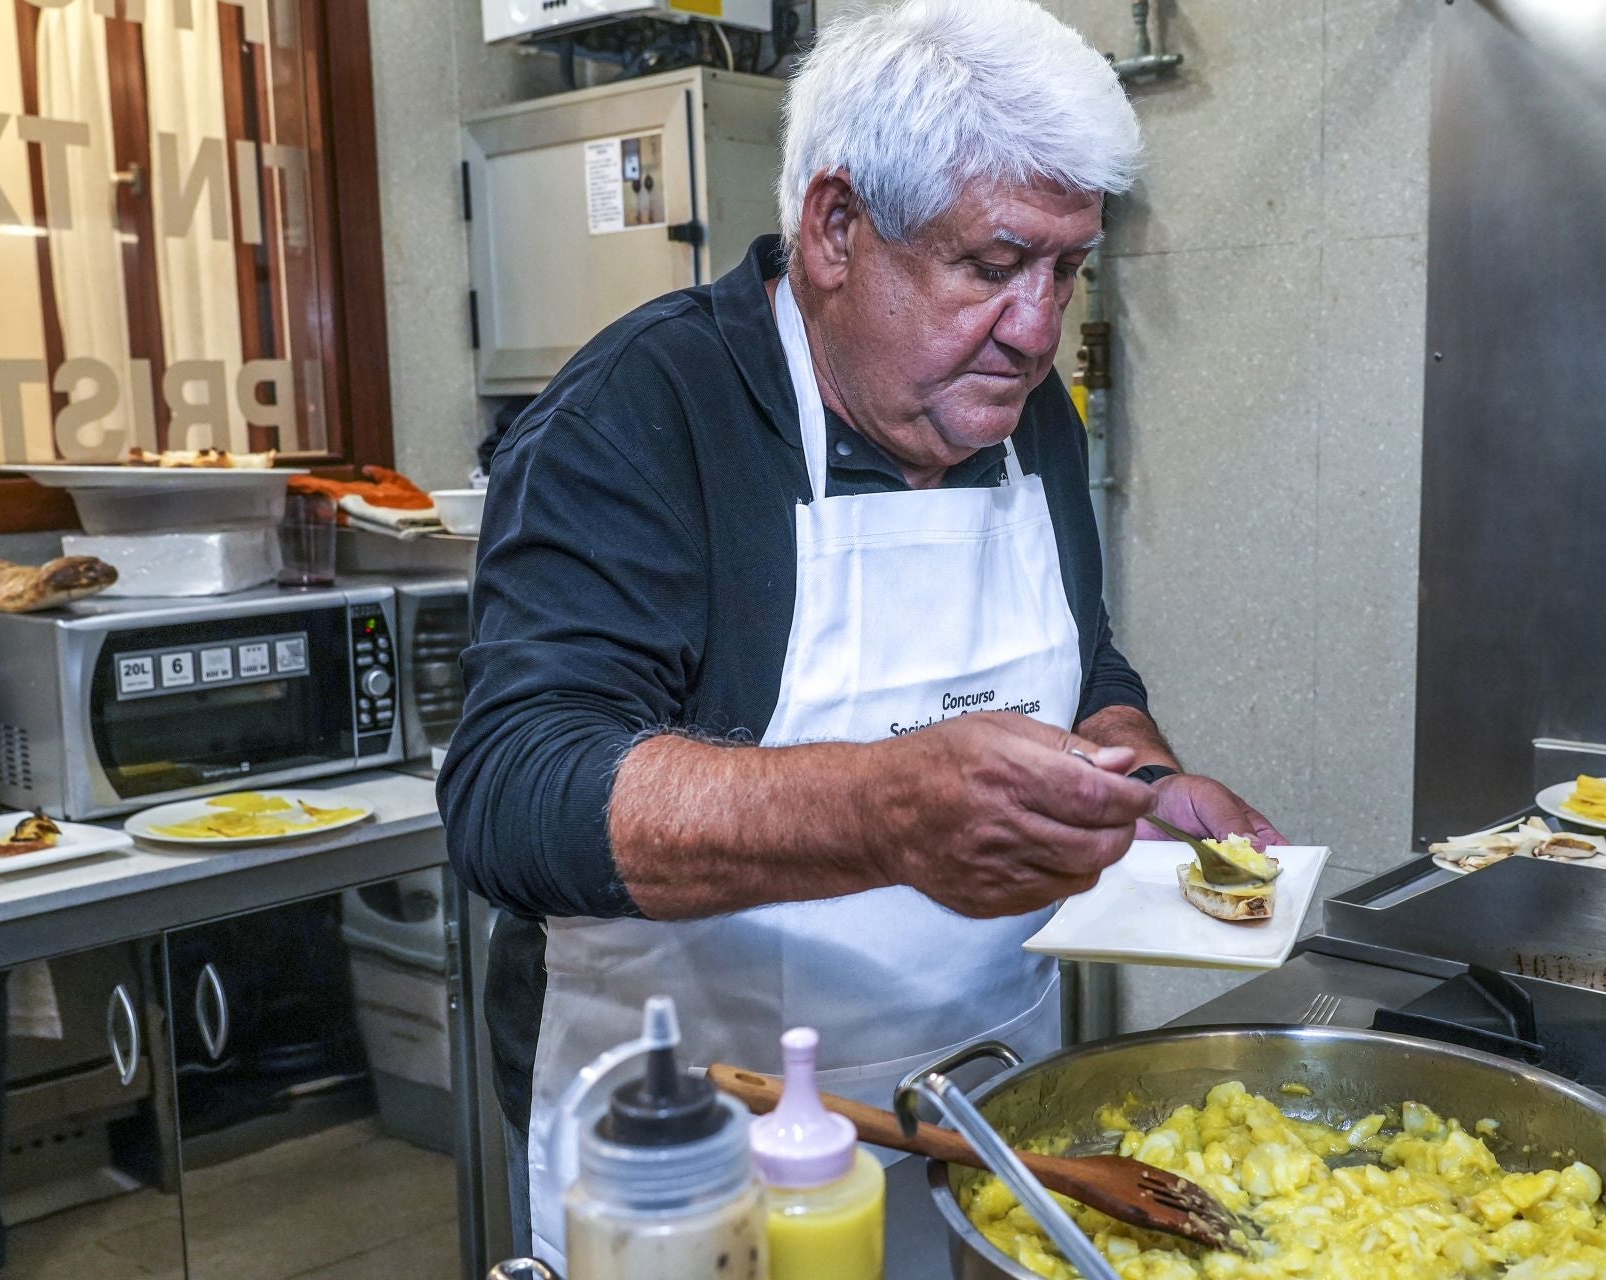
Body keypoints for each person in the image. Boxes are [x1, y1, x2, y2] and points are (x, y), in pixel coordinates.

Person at [437, 0, 1284, 1261]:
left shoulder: (1021, 411)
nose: (1039, 326)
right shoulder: (643, 417)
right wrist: (885, 811)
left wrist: (1138, 776)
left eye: (1067, 268)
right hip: (705, 1167)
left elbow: (1081, 661)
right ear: (836, 229)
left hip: (994, 1134)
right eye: (994, 264)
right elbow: (514, 791)